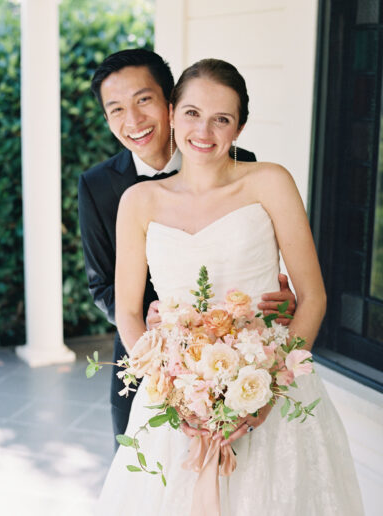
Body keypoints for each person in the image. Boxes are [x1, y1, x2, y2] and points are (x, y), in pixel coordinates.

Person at [96, 58, 364, 515]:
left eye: (222, 119)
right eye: (193, 113)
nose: (205, 131)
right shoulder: (137, 202)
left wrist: (268, 390)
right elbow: (127, 313)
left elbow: (313, 297)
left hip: (270, 388)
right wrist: (176, 394)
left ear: (238, 128)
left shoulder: (270, 182)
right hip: (176, 399)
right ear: (173, 112)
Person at [78, 49, 295, 446]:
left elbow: (250, 251)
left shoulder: (242, 163)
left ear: (170, 103)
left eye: (144, 100)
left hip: (245, 362)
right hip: (150, 358)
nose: (134, 121)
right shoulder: (97, 186)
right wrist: (154, 328)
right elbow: (102, 285)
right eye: (116, 110)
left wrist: (278, 299)